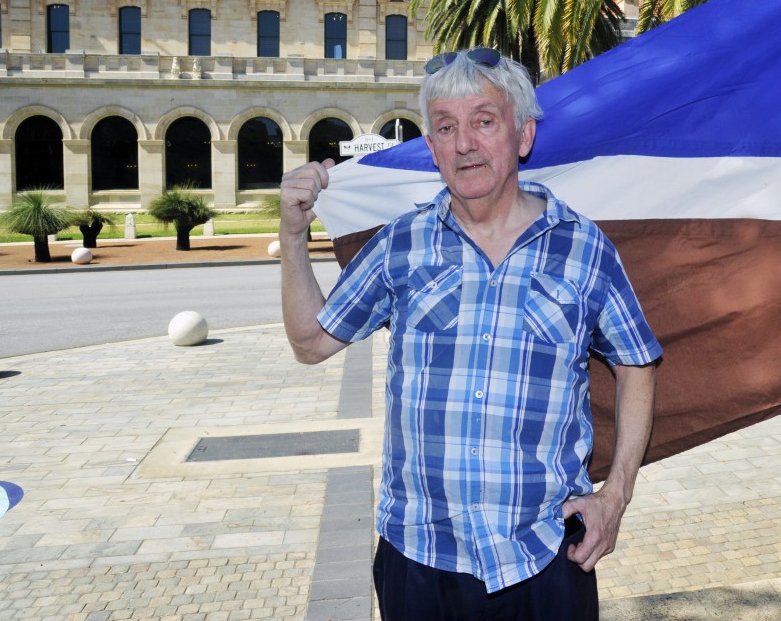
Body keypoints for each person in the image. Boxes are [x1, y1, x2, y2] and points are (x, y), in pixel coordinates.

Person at [279, 47, 662, 620]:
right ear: (431, 148)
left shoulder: (583, 249)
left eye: (484, 121)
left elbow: (637, 363)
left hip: (544, 561)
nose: (464, 143)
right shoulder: (401, 244)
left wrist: (616, 496)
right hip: (418, 559)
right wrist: (290, 235)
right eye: (446, 128)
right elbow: (311, 343)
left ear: (523, 134)